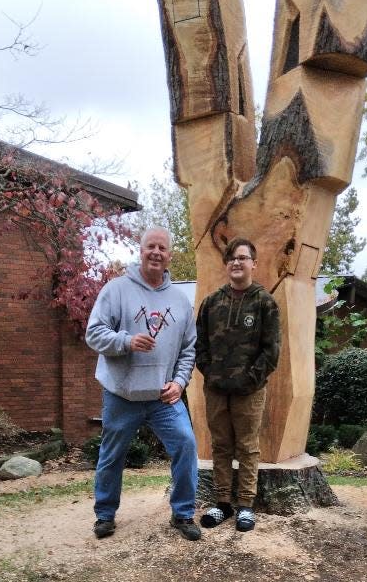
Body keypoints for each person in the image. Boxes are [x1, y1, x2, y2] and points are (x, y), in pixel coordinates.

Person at [85, 227, 201, 541]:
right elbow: (93, 334)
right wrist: (125, 341)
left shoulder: (179, 300)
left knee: (187, 445)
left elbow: (189, 349)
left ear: (169, 255)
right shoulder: (116, 289)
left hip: (164, 396)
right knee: (112, 454)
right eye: (151, 246)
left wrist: (180, 382)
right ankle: (105, 515)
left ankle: (183, 513)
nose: (156, 253)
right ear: (141, 251)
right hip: (122, 393)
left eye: (162, 248)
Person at [195, 236, 280, 532]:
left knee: (247, 447)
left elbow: (271, 352)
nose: (236, 262)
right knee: (220, 446)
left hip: (250, 392)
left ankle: (245, 506)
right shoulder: (211, 303)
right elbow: (199, 346)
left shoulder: (265, 303)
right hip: (216, 390)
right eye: (232, 257)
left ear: (253, 264)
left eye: (243, 258)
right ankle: (222, 504)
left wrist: (249, 380)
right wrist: (211, 373)